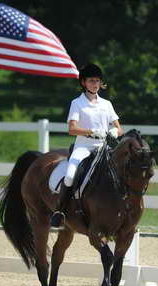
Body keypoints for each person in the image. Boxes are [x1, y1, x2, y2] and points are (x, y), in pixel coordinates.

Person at [50, 63, 123, 230]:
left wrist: (113, 132)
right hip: (83, 147)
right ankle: (60, 212)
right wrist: (91, 132)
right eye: (91, 81)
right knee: (69, 176)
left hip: (104, 148)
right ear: (84, 82)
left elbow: (119, 128)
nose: (95, 84)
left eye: (97, 81)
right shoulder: (77, 103)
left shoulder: (106, 104)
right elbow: (72, 129)